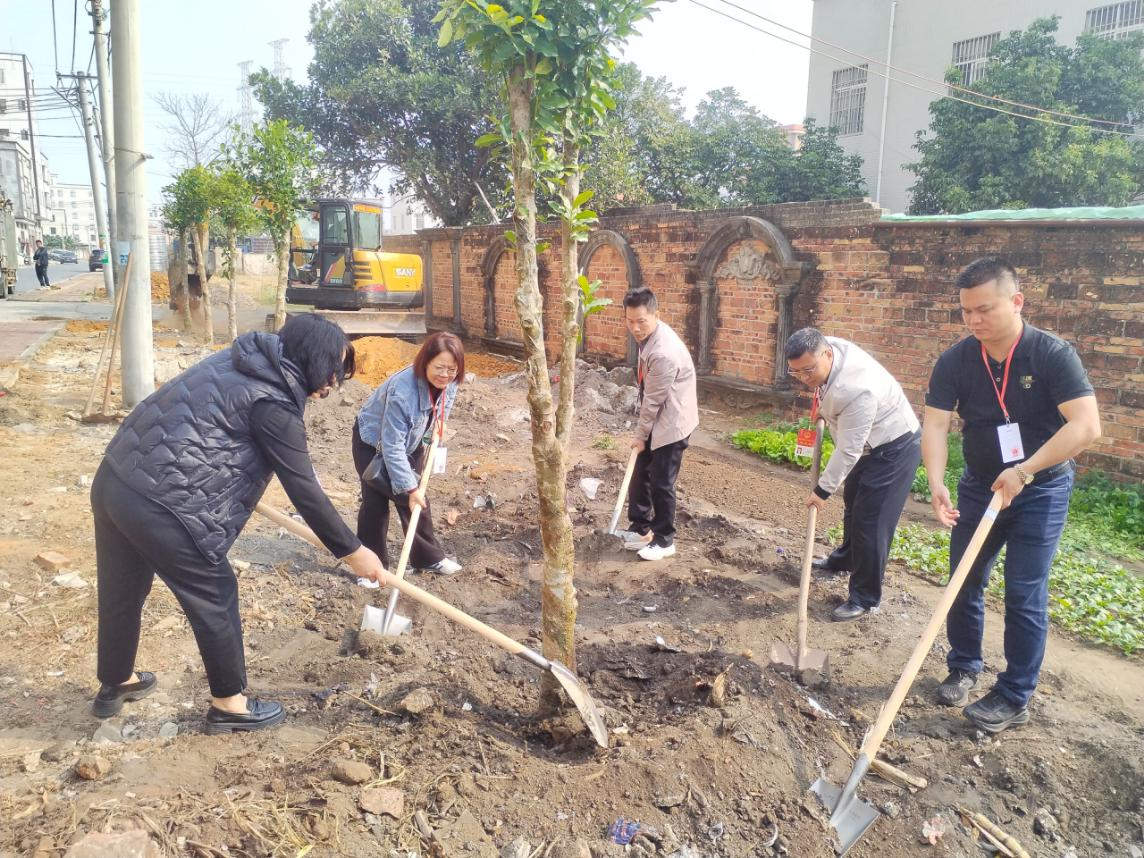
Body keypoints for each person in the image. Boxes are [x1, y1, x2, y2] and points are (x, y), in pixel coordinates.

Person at [90, 314, 386, 733]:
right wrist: (354, 551)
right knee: (215, 591)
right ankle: (230, 705)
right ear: (310, 358)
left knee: (122, 588)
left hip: (118, 478)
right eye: (332, 370)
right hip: (163, 502)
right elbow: (305, 490)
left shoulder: (239, 361)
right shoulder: (273, 403)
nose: (332, 382)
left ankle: (116, 681)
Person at [924, 257, 1100, 733]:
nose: (974, 320)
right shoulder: (958, 359)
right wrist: (936, 481)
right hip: (980, 487)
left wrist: (1023, 470)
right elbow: (937, 422)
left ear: (1017, 301)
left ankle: (1014, 695)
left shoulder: (1051, 354)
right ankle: (963, 666)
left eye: (985, 309)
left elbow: (1086, 426)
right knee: (963, 579)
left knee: (1023, 594)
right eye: (966, 312)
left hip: (1039, 489)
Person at [785, 328, 922, 621]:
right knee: (853, 500)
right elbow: (823, 387)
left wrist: (821, 492)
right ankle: (845, 559)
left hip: (894, 447)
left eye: (809, 370)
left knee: (871, 521)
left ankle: (865, 597)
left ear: (827, 355)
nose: (805, 378)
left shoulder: (857, 388)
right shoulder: (826, 348)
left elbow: (848, 451)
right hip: (867, 443)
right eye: (796, 372)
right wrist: (821, 407)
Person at [353, 332, 465, 576]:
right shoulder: (403, 393)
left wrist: (437, 428)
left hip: (411, 442)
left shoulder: (451, 381)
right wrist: (409, 489)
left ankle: (427, 559)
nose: (445, 375)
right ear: (425, 361)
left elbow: (444, 404)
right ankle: (372, 569)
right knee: (376, 506)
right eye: (439, 367)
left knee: (417, 502)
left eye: (452, 369)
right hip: (373, 443)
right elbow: (392, 446)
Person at [615, 288, 699, 561]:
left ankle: (664, 539)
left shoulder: (664, 352)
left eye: (641, 321)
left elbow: (652, 402)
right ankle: (641, 528)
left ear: (656, 315)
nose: (635, 328)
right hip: (659, 416)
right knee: (641, 472)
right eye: (630, 321)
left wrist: (641, 436)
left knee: (662, 482)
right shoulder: (650, 337)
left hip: (672, 423)